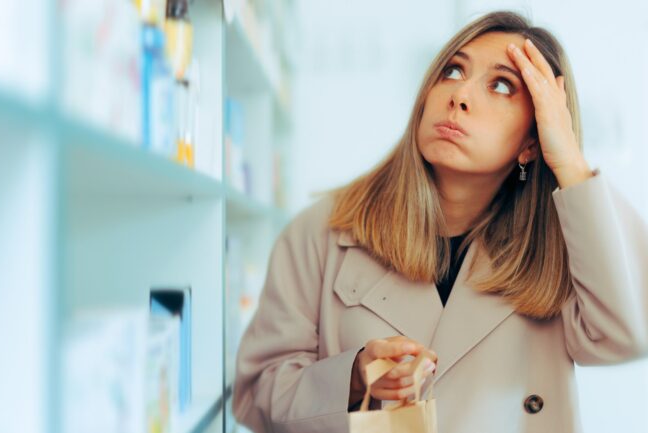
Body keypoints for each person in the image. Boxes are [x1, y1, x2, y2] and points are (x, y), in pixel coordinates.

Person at [231, 10, 648, 433]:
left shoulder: (560, 245)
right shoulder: (323, 230)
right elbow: (255, 397)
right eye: (452, 70)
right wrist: (353, 378)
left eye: (501, 85)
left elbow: (626, 336)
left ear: (531, 141)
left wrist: (569, 159)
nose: (460, 95)